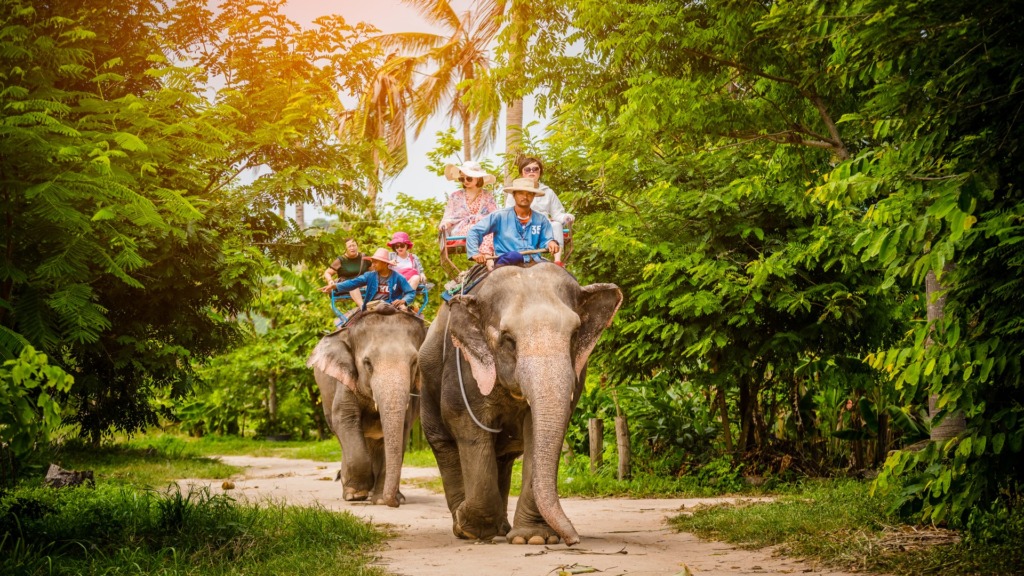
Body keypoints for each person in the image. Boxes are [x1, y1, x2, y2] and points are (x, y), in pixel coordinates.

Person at [466, 178, 558, 268]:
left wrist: (551, 243)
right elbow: (474, 231)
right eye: (521, 193)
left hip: (534, 260)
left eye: (529, 193)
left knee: (553, 270)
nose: (525, 197)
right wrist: (475, 253)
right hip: (506, 261)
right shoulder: (499, 216)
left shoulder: (541, 219)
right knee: (514, 255)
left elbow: (546, 240)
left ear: (533, 196)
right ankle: (498, 270)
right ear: (514, 195)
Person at [504, 156, 574, 264]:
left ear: (540, 172)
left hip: (543, 225)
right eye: (527, 169)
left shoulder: (548, 191)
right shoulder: (515, 191)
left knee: (556, 225)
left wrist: (566, 217)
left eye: (535, 169)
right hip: (522, 225)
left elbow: (557, 213)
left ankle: (557, 261)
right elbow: (508, 213)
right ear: (522, 172)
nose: (531, 172)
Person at [319, 248, 416, 311]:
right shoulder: (369, 276)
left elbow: (410, 292)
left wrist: (404, 301)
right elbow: (353, 283)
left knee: (408, 317)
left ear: (385, 263)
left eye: (376, 262)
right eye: (372, 262)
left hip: (392, 307)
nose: (373, 265)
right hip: (373, 307)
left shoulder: (398, 277)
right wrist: (335, 286)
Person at [439, 160, 498, 257]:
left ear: (478, 178)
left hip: (483, 228)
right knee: (476, 229)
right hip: (462, 230)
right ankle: (484, 257)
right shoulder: (455, 196)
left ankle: (487, 258)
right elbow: (449, 217)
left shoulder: (487, 195)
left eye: (469, 178)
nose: (465, 181)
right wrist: (445, 224)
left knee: (489, 230)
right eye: (462, 179)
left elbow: (495, 215)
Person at [322, 237, 369, 307]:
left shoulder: (364, 257)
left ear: (357, 246)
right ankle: (362, 307)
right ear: (345, 249)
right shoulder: (341, 260)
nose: (352, 248)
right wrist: (330, 281)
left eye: (354, 245)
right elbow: (327, 272)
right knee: (353, 285)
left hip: (362, 284)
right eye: (349, 246)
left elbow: (375, 271)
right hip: (346, 285)